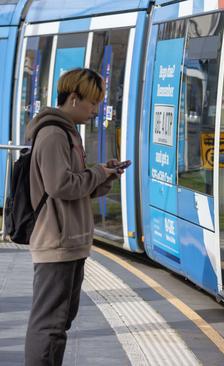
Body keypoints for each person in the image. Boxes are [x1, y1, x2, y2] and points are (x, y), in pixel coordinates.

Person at [23, 68, 126, 366]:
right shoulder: (54, 134)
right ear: (72, 98)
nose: (95, 110)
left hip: (68, 240)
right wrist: (96, 173)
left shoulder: (67, 133)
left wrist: (103, 176)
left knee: (59, 323)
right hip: (57, 241)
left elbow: (76, 185)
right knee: (49, 326)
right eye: (92, 103)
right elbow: (59, 185)